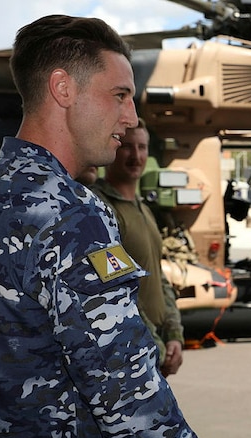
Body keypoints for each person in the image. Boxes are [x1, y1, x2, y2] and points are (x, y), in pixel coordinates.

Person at [0, 15, 204, 438]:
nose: (132, 117)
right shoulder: (72, 213)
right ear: (63, 89)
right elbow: (123, 385)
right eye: (119, 95)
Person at [93, 118, 185, 377]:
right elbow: (117, 287)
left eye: (142, 148)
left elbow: (159, 276)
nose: (136, 156)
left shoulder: (144, 209)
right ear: (112, 148)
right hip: (130, 350)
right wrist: (154, 344)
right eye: (127, 147)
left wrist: (174, 334)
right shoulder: (101, 209)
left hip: (153, 348)